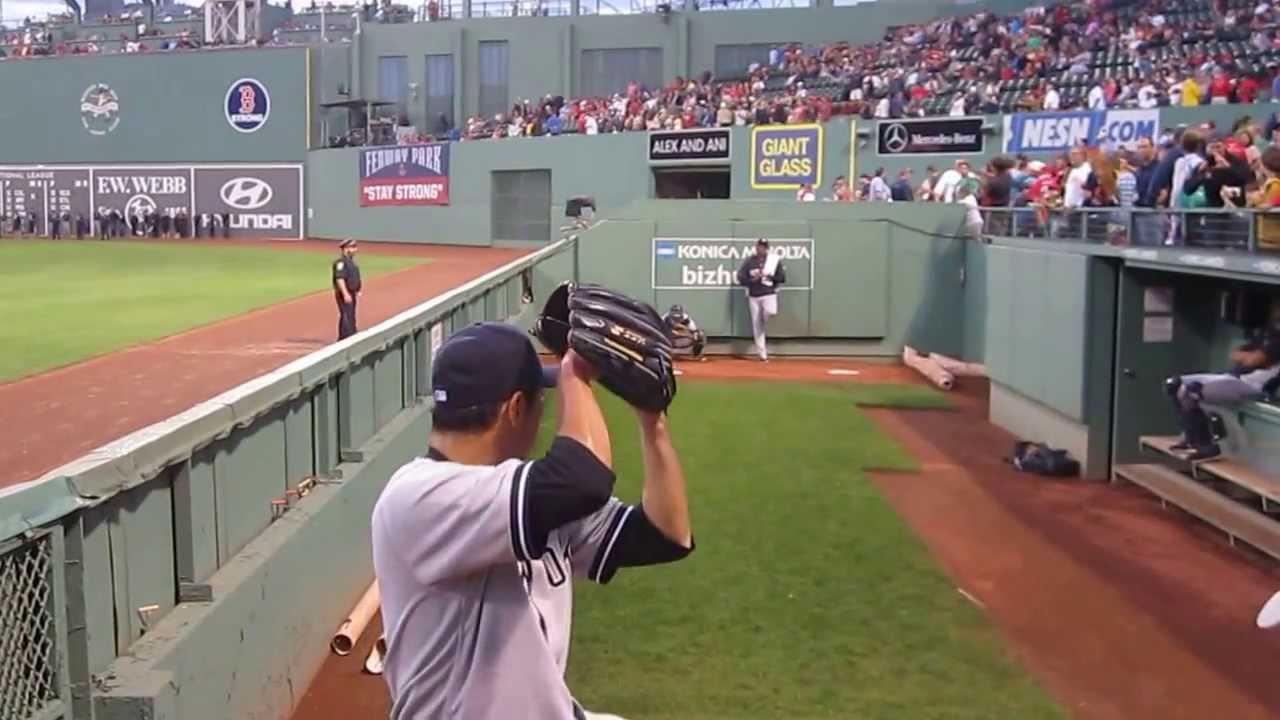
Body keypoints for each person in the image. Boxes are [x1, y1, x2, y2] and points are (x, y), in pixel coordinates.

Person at [371, 322, 693, 720]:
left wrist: (652, 424)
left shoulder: (530, 498)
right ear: (516, 409)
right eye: (542, 399)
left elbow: (664, 536)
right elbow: (584, 479)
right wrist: (575, 373)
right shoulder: (418, 497)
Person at [1165, 299, 1280, 460]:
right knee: (1173, 383)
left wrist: (1251, 357)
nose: (1275, 310)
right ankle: (1190, 437)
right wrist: (1250, 357)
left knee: (1193, 391)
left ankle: (1206, 445)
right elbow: (1235, 354)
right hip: (1233, 378)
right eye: (1276, 306)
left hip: (1253, 386)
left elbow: (1253, 360)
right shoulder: (1269, 334)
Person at [736, 238, 786, 362]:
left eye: (763, 247)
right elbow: (740, 277)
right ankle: (762, 354)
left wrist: (769, 276)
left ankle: (763, 318)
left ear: (767, 248)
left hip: (769, 293)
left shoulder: (773, 260)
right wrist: (751, 281)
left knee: (771, 312)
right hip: (754, 295)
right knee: (757, 325)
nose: (760, 248)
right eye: (759, 246)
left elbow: (782, 278)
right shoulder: (750, 261)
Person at [333, 238, 362, 340]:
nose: (355, 249)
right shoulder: (341, 263)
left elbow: (354, 277)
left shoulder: (351, 262)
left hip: (351, 292)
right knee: (346, 315)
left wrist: (357, 289)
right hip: (344, 293)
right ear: (346, 249)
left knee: (350, 314)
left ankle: (351, 334)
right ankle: (344, 337)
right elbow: (340, 278)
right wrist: (345, 293)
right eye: (353, 247)